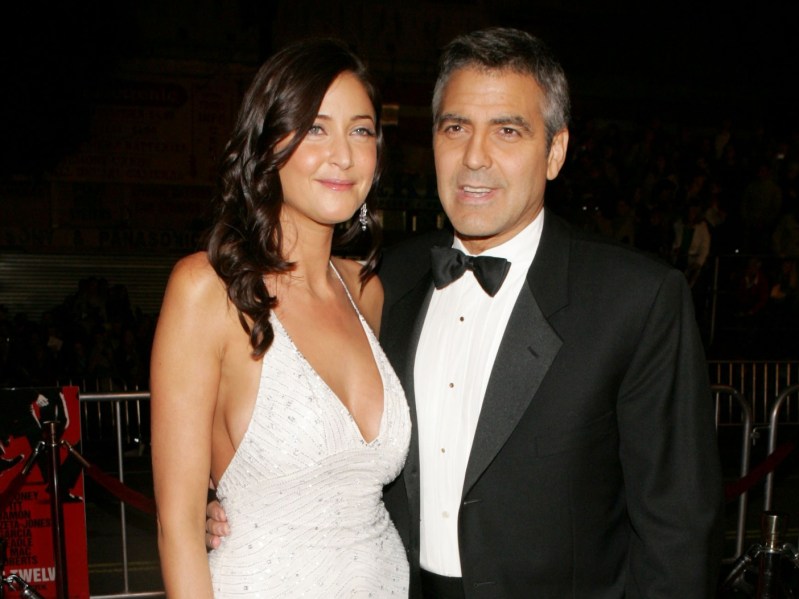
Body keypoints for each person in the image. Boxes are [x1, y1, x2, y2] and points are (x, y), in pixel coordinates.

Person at [209, 28, 723, 598]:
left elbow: (675, 535)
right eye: (456, 128)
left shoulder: (636, 300)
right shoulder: (385, 284)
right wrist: (246, 502)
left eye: (507, 131)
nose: (474, 158)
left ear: (555, 152)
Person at [151, 38, 411, 598]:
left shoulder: (367, 291)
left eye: (361, 130)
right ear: (268, 142)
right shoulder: (206, 291)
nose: (342, 154)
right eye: (316, 128)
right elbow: (177, 529)